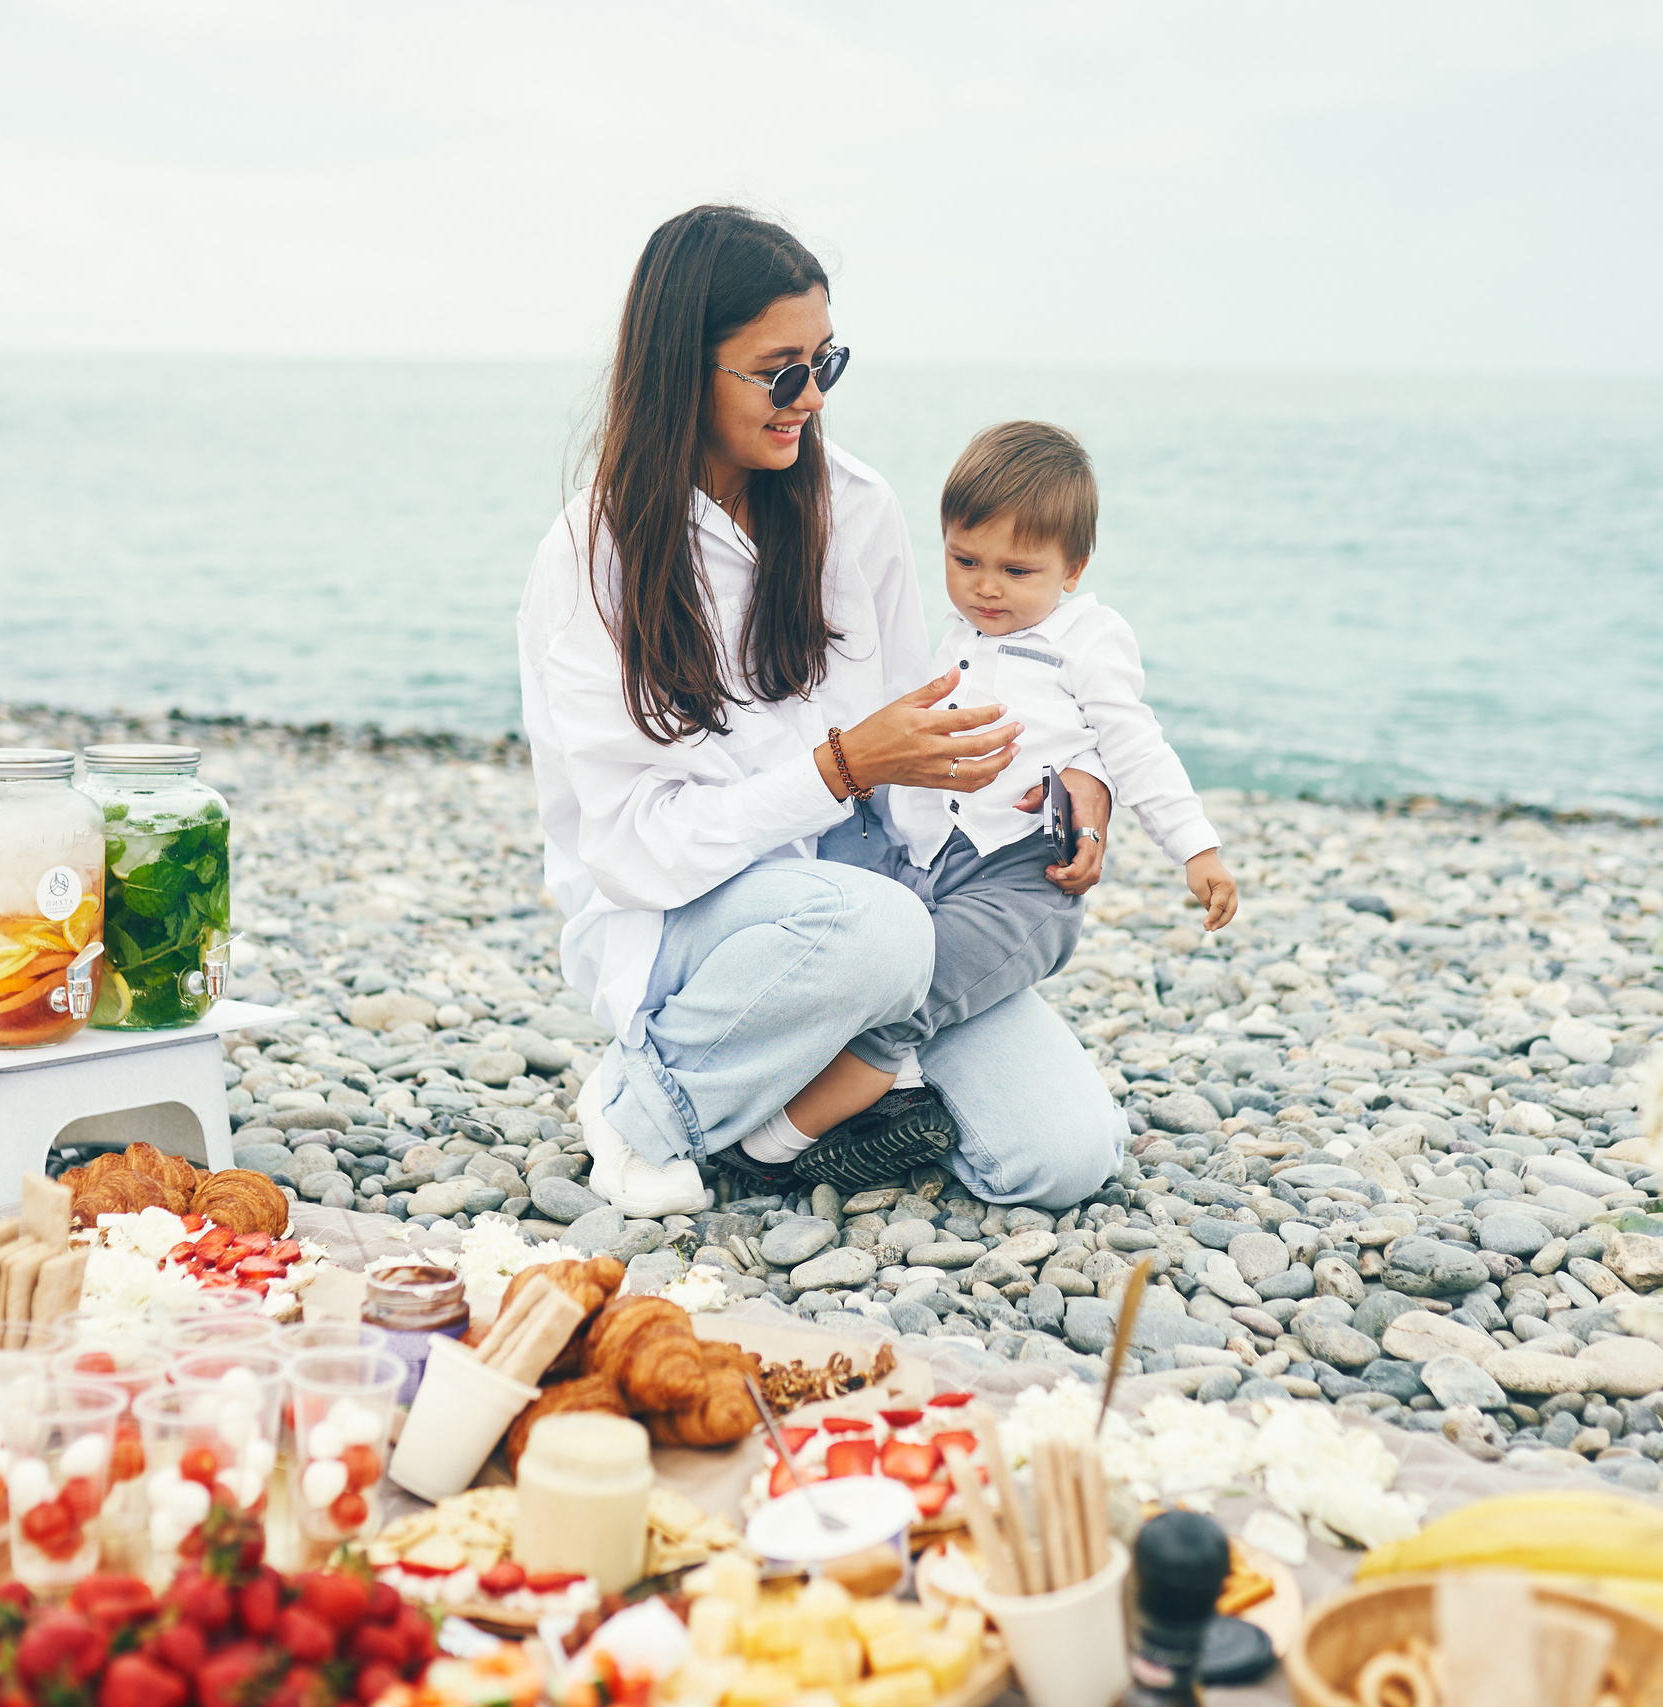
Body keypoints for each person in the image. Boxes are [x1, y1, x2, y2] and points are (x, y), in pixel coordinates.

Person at [517, 205, 1126, 1217]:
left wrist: (1054, 804)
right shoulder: (595, 557)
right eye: (778, 370)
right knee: (875, 932)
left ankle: (805, 1104)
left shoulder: (858, 507)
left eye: (824, 363)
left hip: (873, 901)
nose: (807, 397)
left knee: (1060, 1157)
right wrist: (841, 770)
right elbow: (630, 851)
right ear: (682, 367)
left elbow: (914, 762)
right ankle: (644, 1104)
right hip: (688, 918)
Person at [765, 421, 1238, 1177]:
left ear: (1073, 567)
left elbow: (1133, 742)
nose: (986, 586)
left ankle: (778, 1143)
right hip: (924, 860)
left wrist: (1196, 847)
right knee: (859, 950)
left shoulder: (1087, 637)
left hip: (1021, 879)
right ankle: (897, 1097)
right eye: (964, 560)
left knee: (908, 995)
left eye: (1017, 570)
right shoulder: (955, 633)